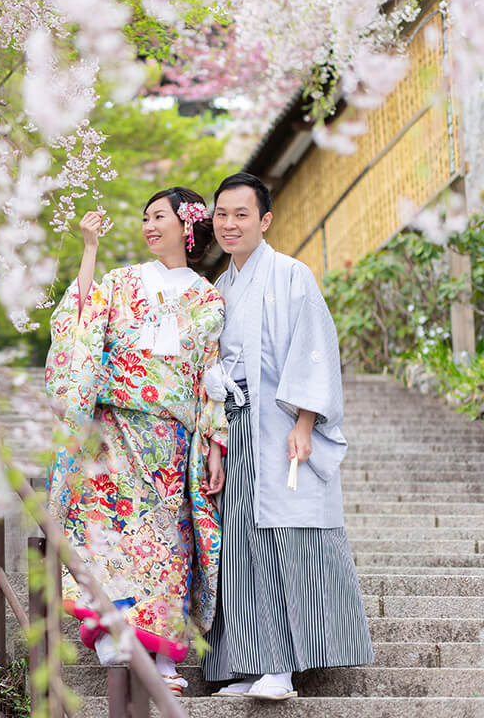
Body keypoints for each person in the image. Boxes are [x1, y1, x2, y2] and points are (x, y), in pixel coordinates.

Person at [45, 187, 227, 695]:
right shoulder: (123, 280)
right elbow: (79, 321)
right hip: (112, 428)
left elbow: (208, 373)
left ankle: (160, 651)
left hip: (169, 436)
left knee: (168, 542)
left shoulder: (209, 297)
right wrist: (89, 249)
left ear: (187, 227)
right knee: (112, 534)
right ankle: (114, 637)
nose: (149, 226)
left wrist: (214, 439)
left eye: (159, 217)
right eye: (145, 218)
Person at [200, 172, 373, 700]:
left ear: (265, 220)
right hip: (234, 426)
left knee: (282, 540)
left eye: (241, 215)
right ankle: (252, 663)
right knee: (243, 544)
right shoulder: (219, 289)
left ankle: (283, 666)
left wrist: (304, 423)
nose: (229, 225)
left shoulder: (292, 276)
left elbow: (313, 349)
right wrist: (212, 441)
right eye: (221, 215)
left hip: (278, 424)